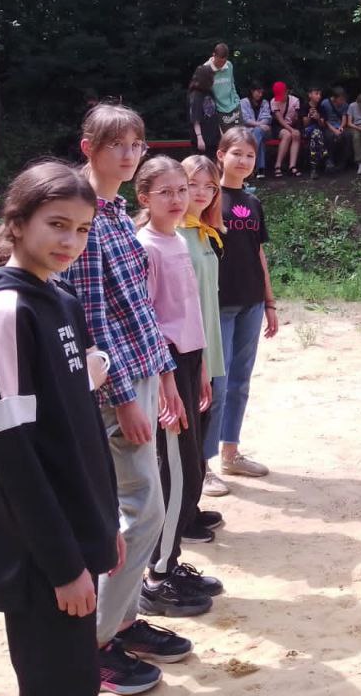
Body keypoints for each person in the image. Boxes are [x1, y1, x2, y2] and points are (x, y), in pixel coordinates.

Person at [0, 161, 122, 696]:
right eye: (56, 224)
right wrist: (63, 566)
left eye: (82, 229)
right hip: (41, 552)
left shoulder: (61, 300)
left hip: (76, 528)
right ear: (17, 223)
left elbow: (81, 425)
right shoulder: (5, 312)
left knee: (78, 678)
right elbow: (12, 453)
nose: (70, 241)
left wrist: (105, 520)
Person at [62, 104, 188, 693]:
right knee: (142, 514)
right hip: (116, 387)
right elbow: (91, 320)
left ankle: (125, 621)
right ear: (88, 146)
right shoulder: (82, 214)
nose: (129, 154)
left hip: (143, 374)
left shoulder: (114, 211)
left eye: (137, 144)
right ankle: (97, 644)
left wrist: (165, 376)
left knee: (140, 507)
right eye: (116, 144)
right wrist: (123, 398)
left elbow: (138, 306)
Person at [132, 156, 224, 622]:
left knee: (190, 464)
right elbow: (147, 321)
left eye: (181, 190)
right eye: (165, 192)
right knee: (176, 470)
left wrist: (202, 363)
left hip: (189, 362)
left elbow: (191, 311)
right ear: (144, 198)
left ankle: (169, 563)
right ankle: (157, 577)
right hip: (164, 368)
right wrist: (166, 378)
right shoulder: (144, 246)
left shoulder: (179, 241)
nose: (177, 199)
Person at [213, 127, 281, 481]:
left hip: (251, 303)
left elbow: (258, 253)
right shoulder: (207, 197)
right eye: (236, 153)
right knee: (216, 385)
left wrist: (269, 302)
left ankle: (230, 454)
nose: (243, 160)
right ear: (221, 155)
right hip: (218, 304)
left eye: (250, 155)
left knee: (240, 382)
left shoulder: (253, 203)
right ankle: (202, 465)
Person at [179, 155, 230, 501]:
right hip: (187, 346)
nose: (201, 193)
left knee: (205, 414)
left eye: (209, 186)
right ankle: (185, 506)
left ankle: (194, 498)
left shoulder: (205, 233)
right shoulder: (173, 234)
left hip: (210, 339)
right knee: (188, 422)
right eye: (192, 184)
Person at [239, 82, 273, 179]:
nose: (260, 95)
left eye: (261, 92)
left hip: (265, 131)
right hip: (248, 132)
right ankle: (260, 169)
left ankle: (248, 161)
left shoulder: (265, 102)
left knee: (258, 132)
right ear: (252, 91)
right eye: (258, 92)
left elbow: (267, 118)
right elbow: (245, 119)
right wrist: (259, 125)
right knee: (259, 139)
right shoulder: (243, 102)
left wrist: (259, 126)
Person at [187, 64, 221, 158]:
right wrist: (199, 137)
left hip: (213, 137)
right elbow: (195, 119)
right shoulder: (195, 95)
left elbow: (215, 114)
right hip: (202, 139)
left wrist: (220, 133)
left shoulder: (210, 92)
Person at [205, 43, 241, 129]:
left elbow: (232, 84)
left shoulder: (229, 65)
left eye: (224, 62)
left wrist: (236, 100)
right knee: (227, 136)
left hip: (234, 106)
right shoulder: (206, 69)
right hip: (219, 109)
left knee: (240, 133)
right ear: (214, 55)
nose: (221, 65)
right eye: (219, 62)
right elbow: (206, 93)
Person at [269, 82, 302, 177]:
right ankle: (278, 165)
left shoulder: (295, 101)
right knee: (287, 134)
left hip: (292, 124)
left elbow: (296, 118)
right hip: (278, 126)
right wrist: (291, 130)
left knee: (296, 135)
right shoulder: (273, 101)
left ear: (286, 92)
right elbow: (280, 119)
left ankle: (292, 166)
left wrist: (295, 119)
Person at [320, 86, 352, 171]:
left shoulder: (344, 105)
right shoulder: (325, 103)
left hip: (339, 125)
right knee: (329, 137)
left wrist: (341, 127)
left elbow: (344, 117)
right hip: (329, 126)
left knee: (348, 135)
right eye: (340, 99)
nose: (342, 101)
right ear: (334, 98)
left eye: (343, 99)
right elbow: (325, 120)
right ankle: (329, 160)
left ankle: (343, 162)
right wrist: (334, 130)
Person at [302, 86, 329, 178]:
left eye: (320, 94)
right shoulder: (305, 106)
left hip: (318, 132)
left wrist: (318, 118)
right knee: (316, 133)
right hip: (307, 131)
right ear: (310, 95)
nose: (319, 96)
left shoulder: (321, 108)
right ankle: (325, 156)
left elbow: (323, 125)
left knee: (316, 135)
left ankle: (313, 169)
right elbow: (305, 124)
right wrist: (309, 116)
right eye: (316, 94)